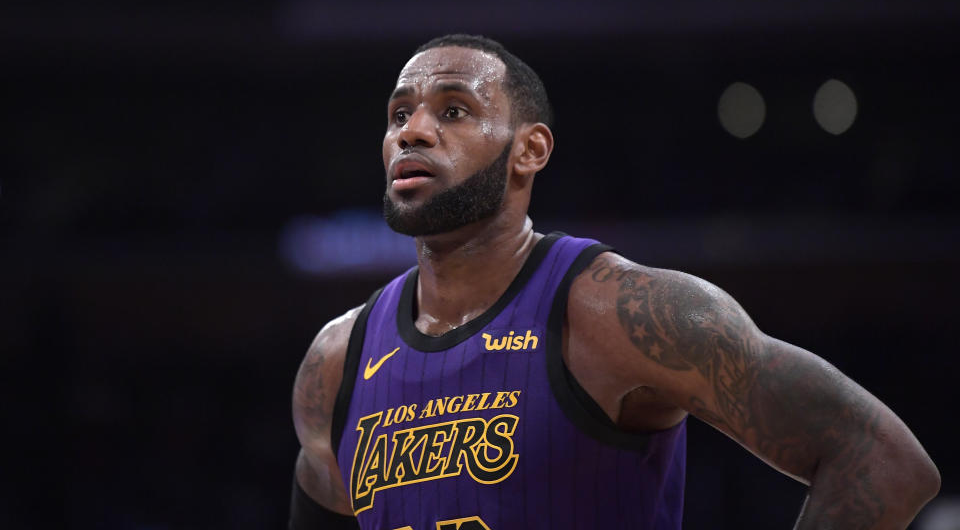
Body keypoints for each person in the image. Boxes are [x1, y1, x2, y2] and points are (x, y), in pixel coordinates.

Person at [289, 34, 940, 530]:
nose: (414, 131)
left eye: (453, 110)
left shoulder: (615, 311)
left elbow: (879, 457)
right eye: (399, 114)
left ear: (530, 150)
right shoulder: (336, 360)